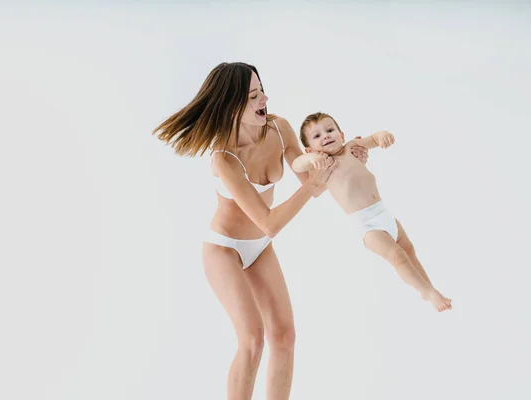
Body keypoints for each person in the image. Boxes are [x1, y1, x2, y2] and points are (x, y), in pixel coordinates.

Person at [152, 63, 369, 399]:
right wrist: (312, 186)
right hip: (224, 249)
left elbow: (314, 179)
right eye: (253, 95)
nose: (264, 98)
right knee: (251, 340)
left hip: (259, 249)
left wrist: (346, 160)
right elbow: (268, 221)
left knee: (284, 336)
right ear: (232, 104)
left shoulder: (279, 128)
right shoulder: (224, 157)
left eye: (262, 89)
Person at [292, 112, 452, 312]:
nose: (325, 136)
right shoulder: (324, 164)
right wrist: (312, 158)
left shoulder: (351, 147)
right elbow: (296, 164)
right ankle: (427, 292)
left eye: (330, 130)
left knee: (409, 251)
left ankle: (428, 288)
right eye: (317, 136)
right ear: (309, 149)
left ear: (341, 135)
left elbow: (373, 139)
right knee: (398, 256)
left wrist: (382, 134)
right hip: (367, 225)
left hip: (384, 213)